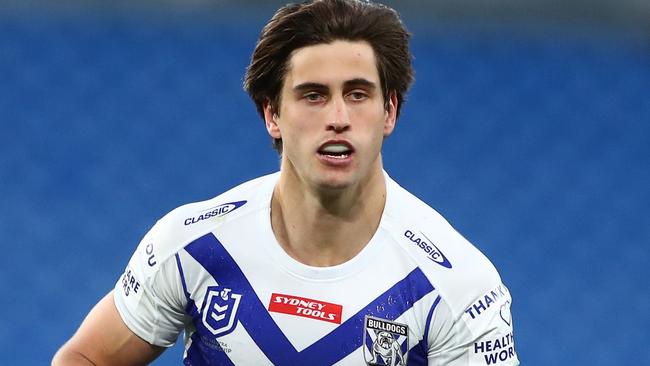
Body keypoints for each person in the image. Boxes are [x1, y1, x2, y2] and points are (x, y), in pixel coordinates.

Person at [52, 0, 519, 365]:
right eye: (313, 96)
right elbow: (87, 357)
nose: (338, 118)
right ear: (272, 114)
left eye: (358, 95)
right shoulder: (195, 245)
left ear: (389, 111)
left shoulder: (457, 287)